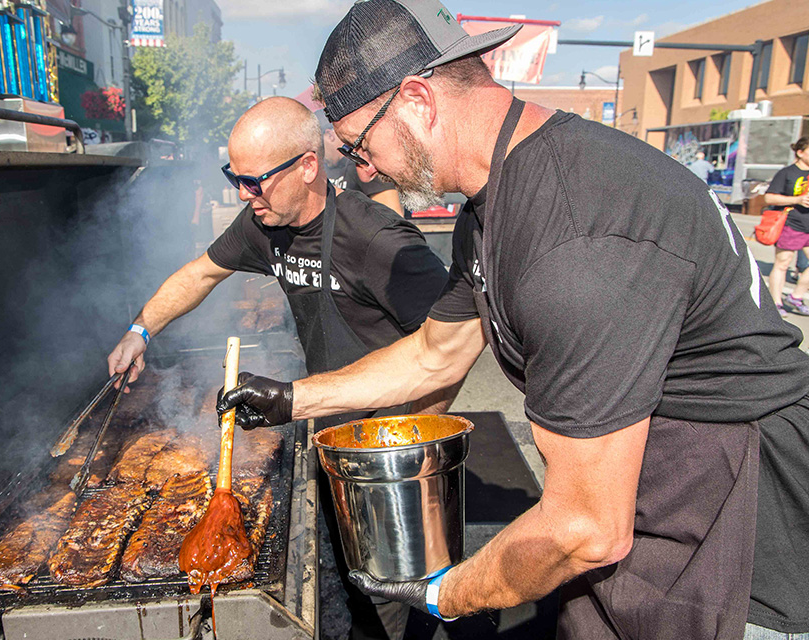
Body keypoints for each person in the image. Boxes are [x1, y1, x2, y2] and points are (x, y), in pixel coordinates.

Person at [218, 2, 809, 639]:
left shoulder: (576, 236)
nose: (364, 171)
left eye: (361, 145)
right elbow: (433, 355)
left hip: (739, 538)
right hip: (631, 497)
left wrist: (449, 590)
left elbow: (583, 529)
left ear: (417, 99)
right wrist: (291, 400)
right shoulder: (489, 204)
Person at [107, 96, 456, 640]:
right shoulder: (262, 226)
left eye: (254, 181)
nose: (241, 193)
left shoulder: (378, 241)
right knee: (344, 582)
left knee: (393, 597)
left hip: (387, 449)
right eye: (234, 178)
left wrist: (412, 447)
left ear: (308, 166)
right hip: (327, 428)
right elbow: (199, 275)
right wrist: (140, 330)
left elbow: (450, 350)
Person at [318, 108, 404, 215]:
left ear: (330, 135)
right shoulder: (325, 169)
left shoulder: (363, 164)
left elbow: (393, 217)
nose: (317, 153)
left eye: (319, 146)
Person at [766, 137, 809, 317]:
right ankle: (776, 303)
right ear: (800, 153)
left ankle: (796, 296)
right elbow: (769, 198)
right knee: (783, 264)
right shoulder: (787, 173)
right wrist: (797, 200)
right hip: (791, 223)